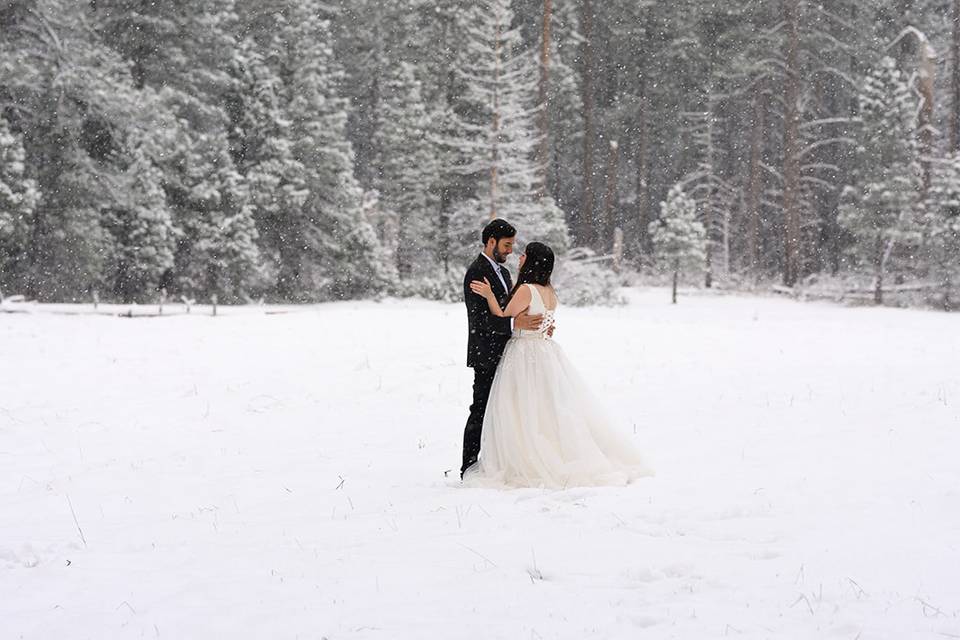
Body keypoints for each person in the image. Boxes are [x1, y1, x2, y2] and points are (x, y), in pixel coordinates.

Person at [464, 241, 652, 488]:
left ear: (531, 261)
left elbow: (502, 314)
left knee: (520, 406)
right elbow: (541, 319)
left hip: (524, 353)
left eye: (524, 255)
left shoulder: (526, 289)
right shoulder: (550, 292)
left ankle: (525, 453)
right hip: (544, 352)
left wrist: (489, 295)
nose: (519, 257)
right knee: (545, 406)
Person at [460, 219, 545, 479]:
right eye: (507, 245)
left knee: (505, 409)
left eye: (512, 245)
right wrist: (513, 322)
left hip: (507, 352)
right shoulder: (477, 272)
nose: (510, 250)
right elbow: (480, 319)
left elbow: (507, 306)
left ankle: (499, 461)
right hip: (485, 353)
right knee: (482, 408)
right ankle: (468, 466)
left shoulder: (504, 273)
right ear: (491, 241)